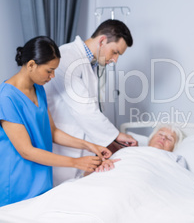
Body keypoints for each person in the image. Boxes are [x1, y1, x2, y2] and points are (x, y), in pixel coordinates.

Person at [0, 36, 114, 207]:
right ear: (31, 65)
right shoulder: (6, 97)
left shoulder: (38, 89)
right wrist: (76, 162)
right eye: (49, 70)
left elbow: (53, 132)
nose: (53, 76)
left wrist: (89, 145)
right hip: (18, 182)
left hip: (41, 178)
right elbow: (27, 151)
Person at [44, 19, 138, 186]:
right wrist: (115, 136)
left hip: (79, 145)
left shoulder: (91, 65)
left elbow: (91, 109)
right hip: (61, 143)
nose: (115, 60)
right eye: (115, 52)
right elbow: (84, 109)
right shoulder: (67, 57)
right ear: (102, 40)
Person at [95, 123, 185, 172]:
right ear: (150, 139)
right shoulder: (128, 151)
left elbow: (178, 178)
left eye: (170, 139)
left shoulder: (175, 159)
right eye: (160, 134)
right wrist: (104, 164)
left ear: (174, 148)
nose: (163, 138)